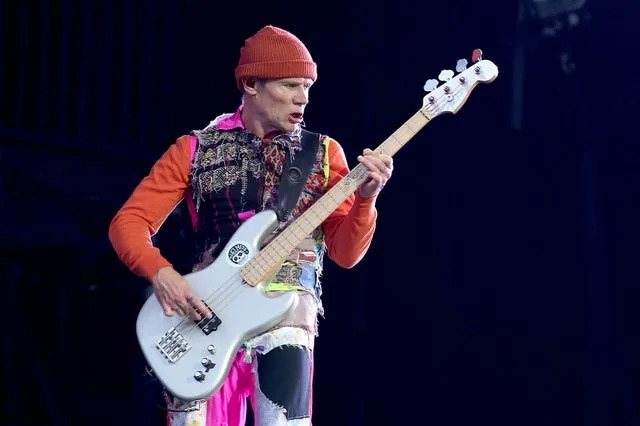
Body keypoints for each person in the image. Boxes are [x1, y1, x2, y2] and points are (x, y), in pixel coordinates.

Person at [108, 25, 393, 425]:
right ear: (251, 84)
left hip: (287, 322)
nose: (303, 97)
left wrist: (366, 200)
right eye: (290, 85)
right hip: (205, 319)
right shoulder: (196, 149)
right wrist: (161, 273)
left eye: (307, 86)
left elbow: (346, 255)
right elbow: (129, 222)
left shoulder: (325, 154)